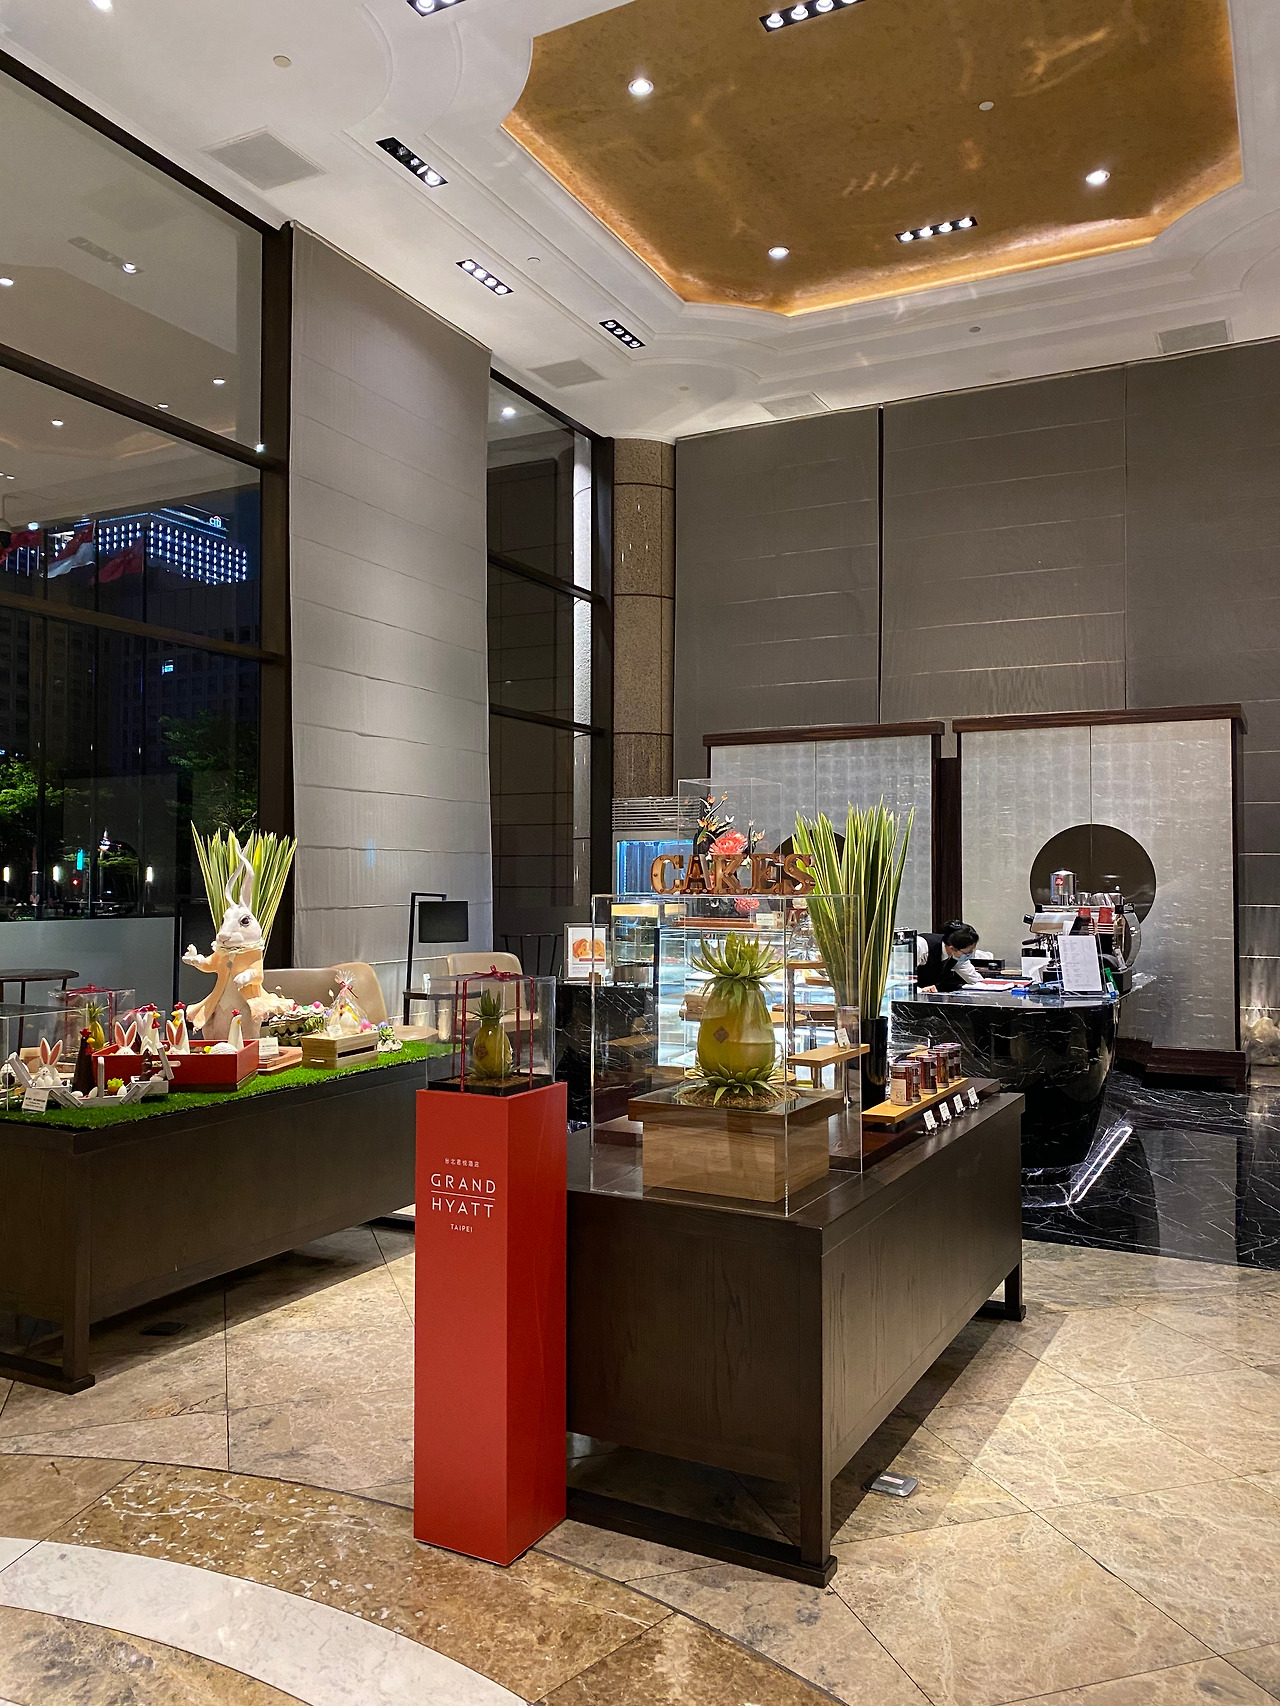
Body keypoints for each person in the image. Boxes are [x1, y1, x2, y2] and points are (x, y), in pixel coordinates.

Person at [916, 921, 983, 993]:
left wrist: (984, 985)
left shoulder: (956, 955)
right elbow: (906, 977)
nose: (969, 955)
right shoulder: (921, 946)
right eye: (968, 953)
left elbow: (971, 975)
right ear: (952, 948)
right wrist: (920, 990)